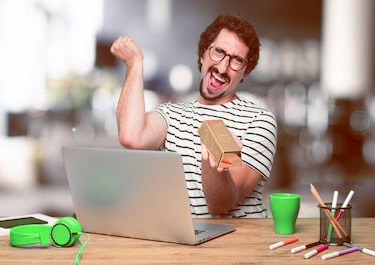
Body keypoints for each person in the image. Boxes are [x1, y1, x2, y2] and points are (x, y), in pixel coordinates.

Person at [110, 13, 278, 218]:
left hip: (237, 246)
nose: (223, 67)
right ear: (203, 54)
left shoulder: (258, 120)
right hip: (183, 243)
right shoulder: (172, 115)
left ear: (246, 72)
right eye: (218, 52)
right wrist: (135, 63)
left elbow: (222, 205)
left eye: (237, 61)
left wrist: (216, 166)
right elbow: (131, 136)